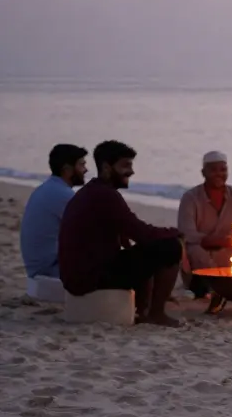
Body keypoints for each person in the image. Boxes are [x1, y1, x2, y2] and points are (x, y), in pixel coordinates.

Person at [59, 140, 184, 327]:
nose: (131, 172)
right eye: (125, 165)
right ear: (106, 167)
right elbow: (142, 232)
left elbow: (129, 232)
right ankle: (156, 313)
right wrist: (176, 233)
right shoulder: (105, 195)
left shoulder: (93, 192)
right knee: (171, 247)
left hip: (79, 274)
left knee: (146, 250)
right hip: (89, 277)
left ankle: (142, 310)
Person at [177, 151, 232, 298]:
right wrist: (216, 240)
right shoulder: (190, 198)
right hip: (200, 251)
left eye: (223, 170)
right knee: (192, 250)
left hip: (228, 251)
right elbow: (187, 233)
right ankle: (204, 285)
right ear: (203, 172)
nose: (219, 174)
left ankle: (230, 284)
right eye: (213, 170)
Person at [20, 144, 88, 279]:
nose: (85, 170)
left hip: (40, 267)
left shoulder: (47, 188)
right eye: (81, 165)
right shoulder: (63, 195)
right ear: (67, 170)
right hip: (49, 271)